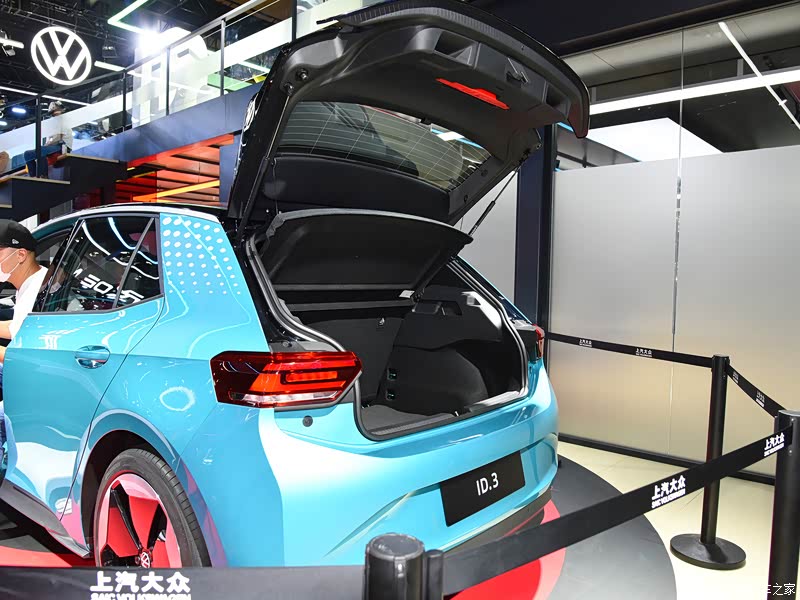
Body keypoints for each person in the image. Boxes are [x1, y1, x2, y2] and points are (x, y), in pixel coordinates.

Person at [0, 220, 46, 469]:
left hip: (37, 378)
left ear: (20, 255)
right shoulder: (27, 285)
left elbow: (19, 356)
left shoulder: (38, 288)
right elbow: (17, 329)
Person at [22, 101, 73, 178]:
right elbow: (50, 139)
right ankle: (33, 176)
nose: (55, 113)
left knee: (41, 150)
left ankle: (43, 175)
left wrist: (46, 145)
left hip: (62, 146)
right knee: (27, 154)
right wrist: (46, 145)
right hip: (53, 146)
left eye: (56, 110)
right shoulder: (52, 124)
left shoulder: (63, 120)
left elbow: (58, 137)